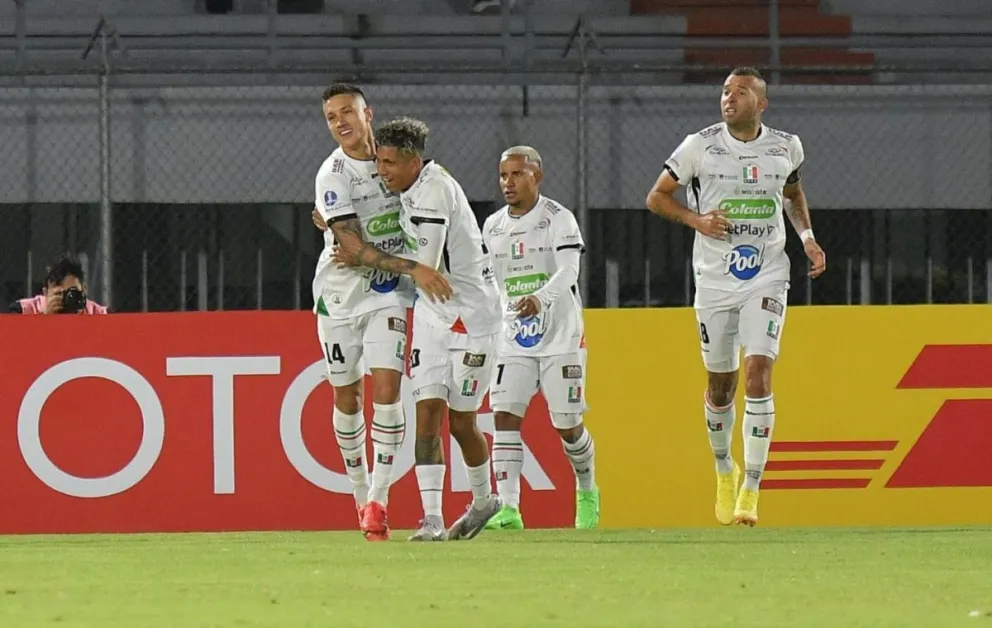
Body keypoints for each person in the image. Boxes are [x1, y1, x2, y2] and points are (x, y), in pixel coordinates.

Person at [644, 67, 826, 527]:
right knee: (721, 385)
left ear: (760, 103)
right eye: (725, 91)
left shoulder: (787, 146)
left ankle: (752, 489)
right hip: (714, 280)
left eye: (740, 92)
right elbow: (657, 197)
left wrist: (806, 237)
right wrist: (697, 221)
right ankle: (725, 469)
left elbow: (792, 193)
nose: (729, 98)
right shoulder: (698, 145)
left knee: (759, 372)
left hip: (767, 273)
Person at [336, 116, 502, 541]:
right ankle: (431, 519)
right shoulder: (405, 187)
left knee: (462, 422)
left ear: (414, 161)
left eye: (390, 163)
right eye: (380, 161)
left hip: (471, 316)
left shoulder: (433, 191)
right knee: (426, 413)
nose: (382, 171)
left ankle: (485, 501)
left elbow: (423, 267)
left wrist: (361, 255)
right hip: (432, 314)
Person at [312, 83, 452, 542]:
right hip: (338, 295)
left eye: (347, 112)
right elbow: (349, 248)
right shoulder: (332, 175)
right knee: (346, 397)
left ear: (367, 113)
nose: (340, 123)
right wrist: (413, 266)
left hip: (389, 293)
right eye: (331, 117)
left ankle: (378, 500)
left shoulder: (394, 162)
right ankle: (358, 494)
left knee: (388, 391)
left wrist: (406, 271)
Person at [480, 146, 600, 531]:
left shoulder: (558, 219)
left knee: (567, 426)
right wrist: (496, 315)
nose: (508, 183)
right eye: (503, 175)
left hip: (561, 338)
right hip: (514, 338)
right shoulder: (493, 226)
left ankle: (586, 490)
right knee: (504, 416)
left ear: (538, 176)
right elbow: (492, 280)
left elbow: (569, 271)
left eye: (517, 174)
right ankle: (510, 510)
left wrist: (540, 299)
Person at [9, 252, 108, 315]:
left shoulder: (101, 315)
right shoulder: (22, 312)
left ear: (84, 290)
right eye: (59, 294)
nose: (67, 299)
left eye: (72, 293)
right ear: (46, 293)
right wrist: (45, 318)